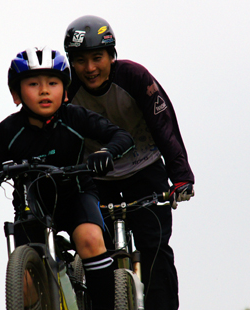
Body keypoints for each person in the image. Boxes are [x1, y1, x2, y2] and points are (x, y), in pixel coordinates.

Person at [0, 47, 134, 310]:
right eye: (33, 84)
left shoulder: (74, 116)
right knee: (26, 287)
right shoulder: (7, 131)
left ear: (65, 91)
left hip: (76, 197)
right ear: (16, 95)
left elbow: (123, 137)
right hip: (33, 209)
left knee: (90, 240)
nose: (44, 90)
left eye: (53, 83)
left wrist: (106, 152)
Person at [63, 15, 196, 309]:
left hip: (145, 167)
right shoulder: (67, 90)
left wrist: (182, 177)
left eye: (97, 58)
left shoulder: (134, 77)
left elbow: (165, 126)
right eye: (81, 60)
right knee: (99, 254)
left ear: (112, 56)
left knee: (155, 250)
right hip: (97, 177)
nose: (90, 68)